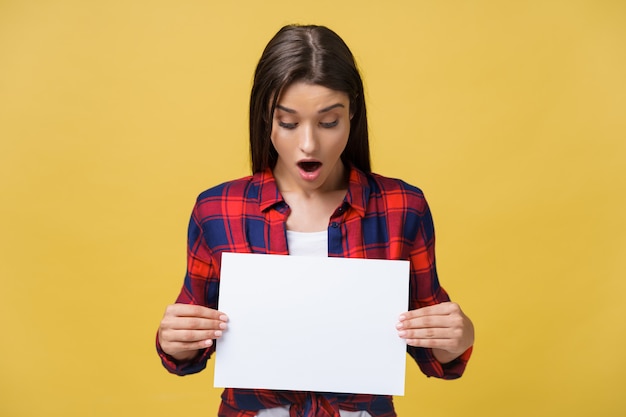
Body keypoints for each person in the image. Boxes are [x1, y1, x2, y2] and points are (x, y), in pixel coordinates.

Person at [157, 24, 474, 417]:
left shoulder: (402, 207)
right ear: (265, 119)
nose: (309, 144)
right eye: (288, 123)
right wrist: (174, 341)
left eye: (328, 122)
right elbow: (189, 349)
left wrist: (459, 335)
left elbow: (435, 351)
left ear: (352, 114)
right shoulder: (217, 209)